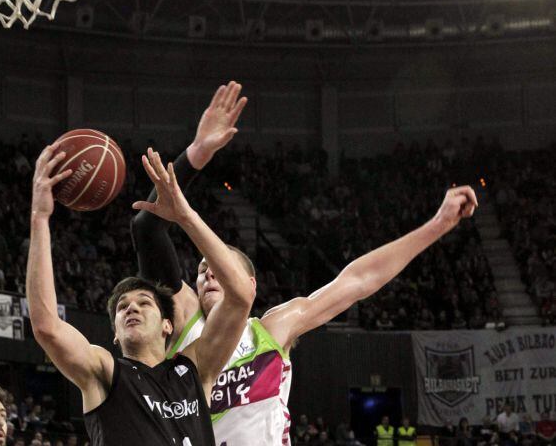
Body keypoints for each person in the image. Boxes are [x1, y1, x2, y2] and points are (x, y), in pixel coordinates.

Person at [131, 80, 480, 445]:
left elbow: (359, 280)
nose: (208, 273)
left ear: (249, 284)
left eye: (220, 268)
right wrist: (197, 154)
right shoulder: (183, 319)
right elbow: (147, 226)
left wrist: (437, 225)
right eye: (202, 270)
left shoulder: (272, 330)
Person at [26, 140, 255, 445]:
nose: (131, 308)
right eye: (122, 307)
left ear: (167, 325)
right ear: (115, 334)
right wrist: (39, 218)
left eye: (144, 302)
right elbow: (46, 328)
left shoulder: (195, 368)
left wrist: (185, 216)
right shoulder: (104, 372)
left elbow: (240, 295)